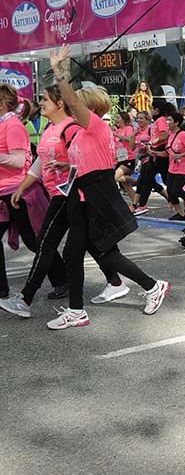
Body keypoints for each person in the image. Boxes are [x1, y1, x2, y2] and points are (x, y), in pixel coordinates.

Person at [30, 47, 169, 329]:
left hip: (95, 196)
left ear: (89, 107)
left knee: (104, 252)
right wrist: (63, 164)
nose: (72, 107)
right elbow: (83, 163)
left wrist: (59, 72)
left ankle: (152, 286)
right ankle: (78, 310)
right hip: (80, 196)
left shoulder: (95, 125)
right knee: (79, 254)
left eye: (77, 104)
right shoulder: (82, 133)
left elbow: (71, 100)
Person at [0, 85, 129, 317]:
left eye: (45, 99)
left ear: (60, 103)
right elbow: (40, 161)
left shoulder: (73, 128)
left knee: (48, 244)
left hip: (68, 194)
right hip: (58, 193)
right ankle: (119, 284)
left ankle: (28, 300)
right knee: (87, 246)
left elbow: (83, 161)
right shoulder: (51, 128)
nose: (40, 102)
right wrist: (23, 187)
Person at [0, 86, 64, 302]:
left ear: (2, 104)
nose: (41, 102)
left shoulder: (13, 125)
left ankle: (62, 280)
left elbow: (19, 161)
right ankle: (2, 289)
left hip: (18, 192)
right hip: (4, 192)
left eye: (45, 99)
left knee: (34, 240)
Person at [133, 100, 174, 216]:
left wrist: (151, 142)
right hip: (154, 153)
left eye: (152, 108)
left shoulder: (160, 120)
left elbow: (164, 136)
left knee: (161, 180)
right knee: (147, 178)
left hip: (159, 151)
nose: (150, 110)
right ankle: (140, 205)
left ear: (157, 110)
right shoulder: (157, 121)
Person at [113, 110, 139, 207]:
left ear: (124, 119)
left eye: (118, 118)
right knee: (125, 184)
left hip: (129, 158)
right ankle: (135, 203)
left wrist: (117, 135)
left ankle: (137, 181)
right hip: (120, 158)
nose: (116, 120)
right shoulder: (117, 130)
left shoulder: (129, 128)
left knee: (115, 177)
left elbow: (129, 138)